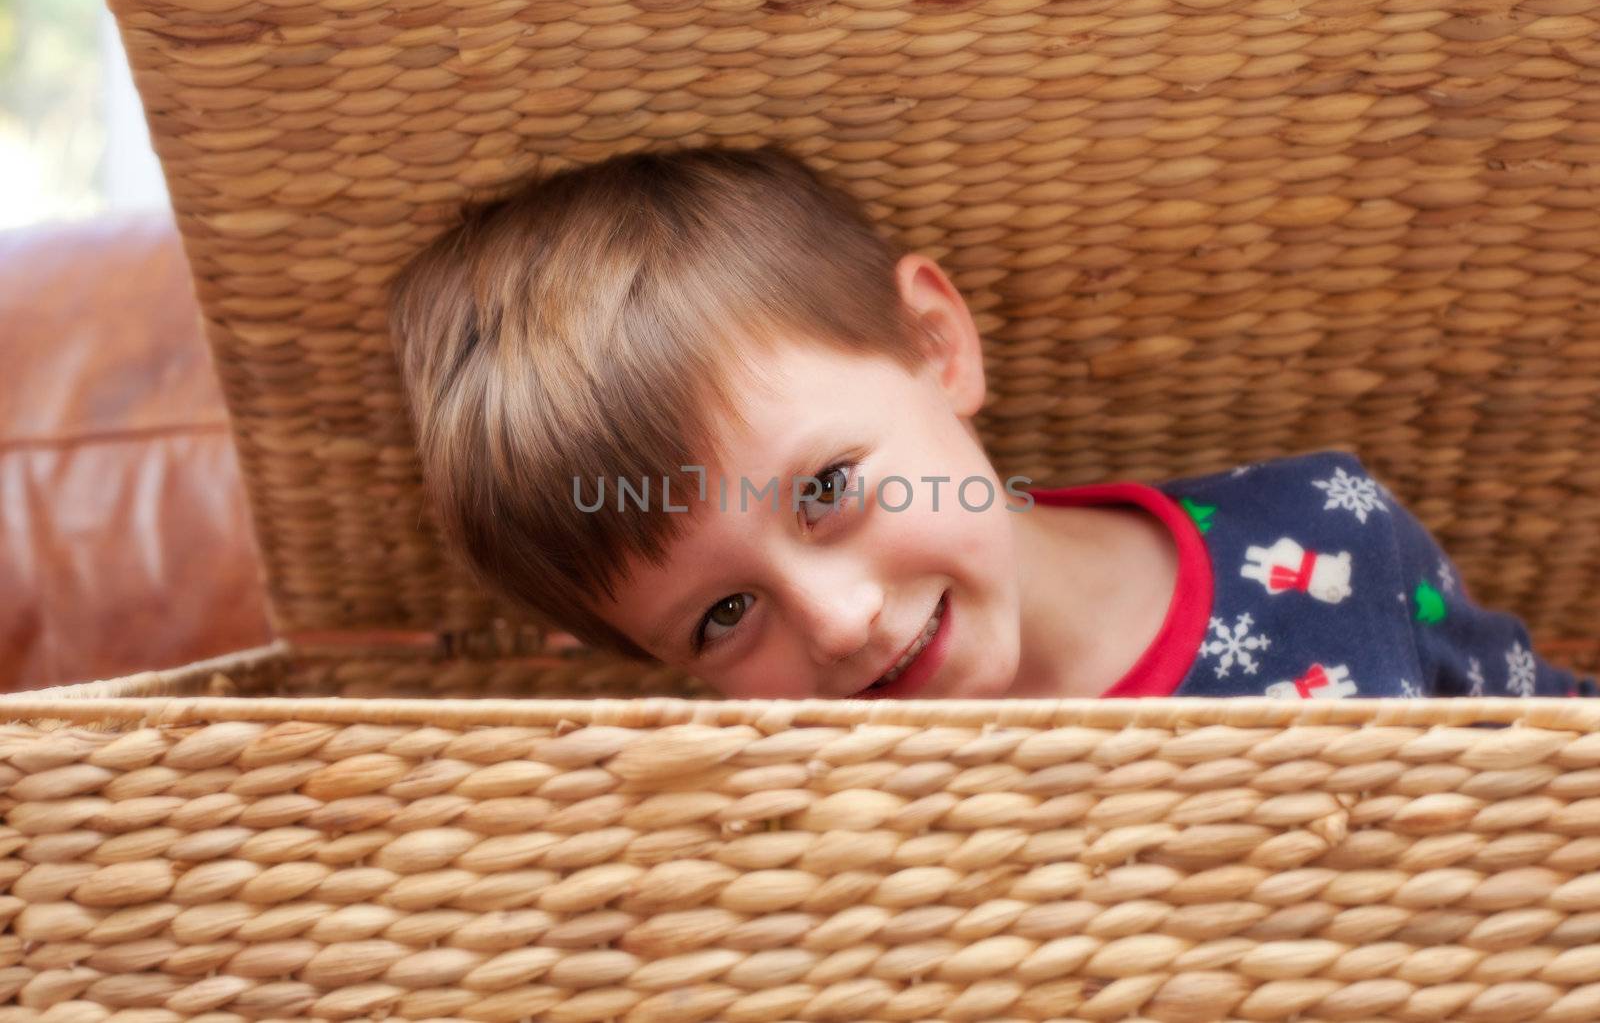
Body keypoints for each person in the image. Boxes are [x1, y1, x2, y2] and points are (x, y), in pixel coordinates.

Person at [387, 143, 1592, 700]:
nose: (843, 620)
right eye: (720, 616)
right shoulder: (780, 817)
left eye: (822, 490)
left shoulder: (1328, 546)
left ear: (934, 344)